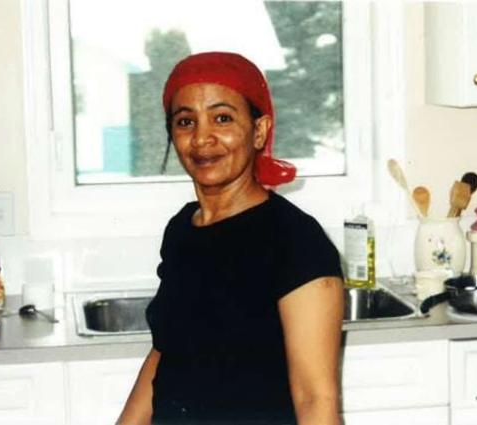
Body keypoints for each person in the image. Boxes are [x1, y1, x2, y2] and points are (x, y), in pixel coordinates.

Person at [117, 52, 344, 425]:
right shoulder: (182, 230)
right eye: (185, 121)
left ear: (259, 130)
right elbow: (166, 352)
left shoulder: (296, 241)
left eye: (222, 118)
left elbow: (315, 397)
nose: (202, 138)